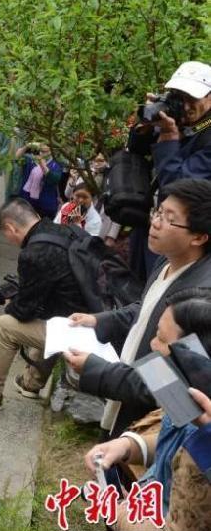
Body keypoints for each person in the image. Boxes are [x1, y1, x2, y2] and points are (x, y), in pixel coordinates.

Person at [63, 178, 211, 437]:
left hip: (147, 428)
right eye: (158, 211)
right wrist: (99, 321)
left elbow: (174, 384)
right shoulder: (167, 262)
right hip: (125, 396)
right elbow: (146, 308)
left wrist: (98, 371)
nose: (155, 223)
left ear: (198, 237)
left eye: (169, 219)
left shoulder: (199, 301)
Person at [78, 287, 211, 531]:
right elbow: (172, 433)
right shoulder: (191, 389)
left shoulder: (206, 437)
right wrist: (128, 446)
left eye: (162, 339)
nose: (152, 345)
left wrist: (114, 509)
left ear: (195, 353)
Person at [0, 198, 88, 411]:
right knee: (51, 316)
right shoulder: (67, 231)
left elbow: (23, 312)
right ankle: (31, 384)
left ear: (10, 228)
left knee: (4, 326)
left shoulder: (34, 252)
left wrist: (11, 300)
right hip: (97, 318)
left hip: (82, 332)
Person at [150, 61, 211, 186]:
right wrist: (146, 124)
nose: (186, 106)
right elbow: (137, 149)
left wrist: (168, 138)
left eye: (192, 98)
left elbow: (176, 186)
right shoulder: (176, 115)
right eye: (179, 96)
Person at [16, 142, 62, 218]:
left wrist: (42, 163)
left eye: (47, 145)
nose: (43, 146)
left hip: (45, 205)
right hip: (27, 201)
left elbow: (54, 179)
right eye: (42, 144)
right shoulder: (32, 159)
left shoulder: (56, 163)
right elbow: (16, 157)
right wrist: (27, 146)